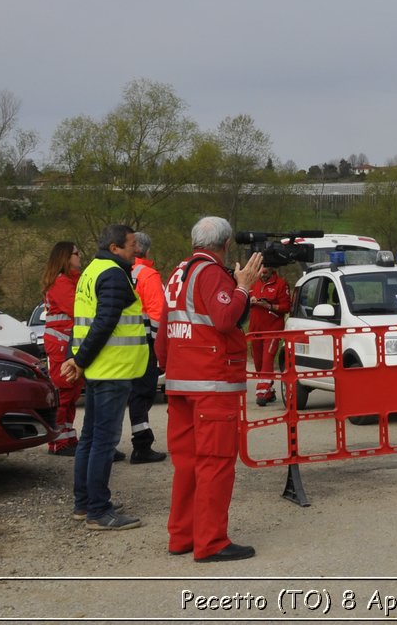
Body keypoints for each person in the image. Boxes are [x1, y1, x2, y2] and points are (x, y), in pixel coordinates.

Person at [158, 216, 261, 562]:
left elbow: (163, 331)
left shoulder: (177, 273)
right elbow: (224, 317)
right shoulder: (211, 273)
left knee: (186, 464)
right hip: (211, 384)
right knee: (215, 463)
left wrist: (170, 367)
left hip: (180, 382)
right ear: (226, 244)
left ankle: (182, 536)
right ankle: (211, 542)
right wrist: (244, 286)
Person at [61, 223, 148, 531]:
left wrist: (76, 359)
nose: (136, 249)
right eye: (131, 244)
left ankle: (84, 504)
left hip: (99, 368)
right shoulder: (113, 274)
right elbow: (104, 322)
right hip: (111, 368)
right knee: (103, 442)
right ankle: (99, 511)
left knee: (90, 439)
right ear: (114, 248)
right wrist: (79, 359)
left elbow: (82, 321)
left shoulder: (91, 271)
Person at [126, 231, 168, 464]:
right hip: (143, 347)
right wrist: (158, 351)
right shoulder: (148, 275)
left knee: (120, 395)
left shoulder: (117, 271)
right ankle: (141, 445)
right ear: (147, 250)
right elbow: (158, 317)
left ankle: (109, 445)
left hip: (119, 348)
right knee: (141, 395)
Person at [39, 241, 83, 456]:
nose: (79, 257)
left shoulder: (66, 281)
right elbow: (78, 309)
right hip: (61, 346)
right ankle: (58, 442)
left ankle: (67, 438)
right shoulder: (62, 283)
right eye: (76, 254)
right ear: (65, 257)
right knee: (64, 394)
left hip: (65, 344)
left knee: (71, 394)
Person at [248, 259, 292, 405]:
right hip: (255, 329)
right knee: (259, 362)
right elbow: (242, 300)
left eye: (265, 268)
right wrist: (249, 301)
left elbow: (286, 307)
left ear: (272, 269)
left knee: (267, 360)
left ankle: (262, 392)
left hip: (272, 329)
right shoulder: (253, 282)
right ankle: (269, 391)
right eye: (261, 269)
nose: (263, 271)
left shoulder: (281, 284)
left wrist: (269, 306)